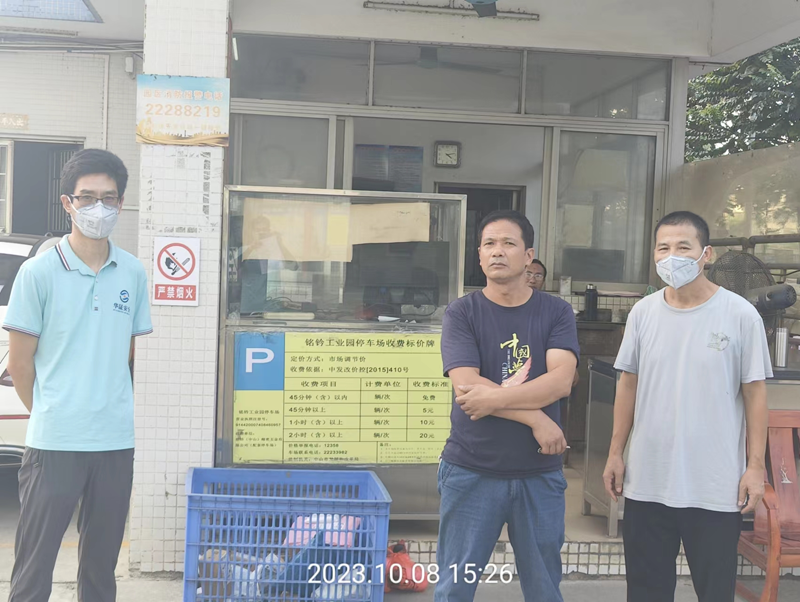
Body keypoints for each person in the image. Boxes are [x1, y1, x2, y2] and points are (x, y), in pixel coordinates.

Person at [4, 149, 153, 602]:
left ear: (121, 203)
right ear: (67, 203)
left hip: (115, 441)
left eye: (108, 198)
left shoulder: (132, 272)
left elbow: (126, 352)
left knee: (101, 569)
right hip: (55, 443)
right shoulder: (38, 273)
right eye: (87, 197)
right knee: (34, 567)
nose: (98, 208)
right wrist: (51, 412)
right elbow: (19, 364)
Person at [602, 211, 770, 602]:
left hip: (714, 485)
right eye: (663, 248)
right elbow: (628, 384)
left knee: (715, 591)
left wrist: (755, 466)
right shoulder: (643, 313)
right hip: (648, 482)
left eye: (683, 247)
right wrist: (615, 453)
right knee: (646, 591)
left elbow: (755, 393)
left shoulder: (740, 314)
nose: (671, 256)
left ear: (706, 254)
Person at [437, 210, 579, 602]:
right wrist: (536, 419)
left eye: (508, 243)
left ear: (528, 256)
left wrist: (493, 398)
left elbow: (560, 381)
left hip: (539, 474)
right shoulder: (461, 312)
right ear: (480, 256)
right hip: (471, 470)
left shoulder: (556, 312)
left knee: (544, 588)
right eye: (489, 244)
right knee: (454, 587)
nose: (497, 251)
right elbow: (466, 386)